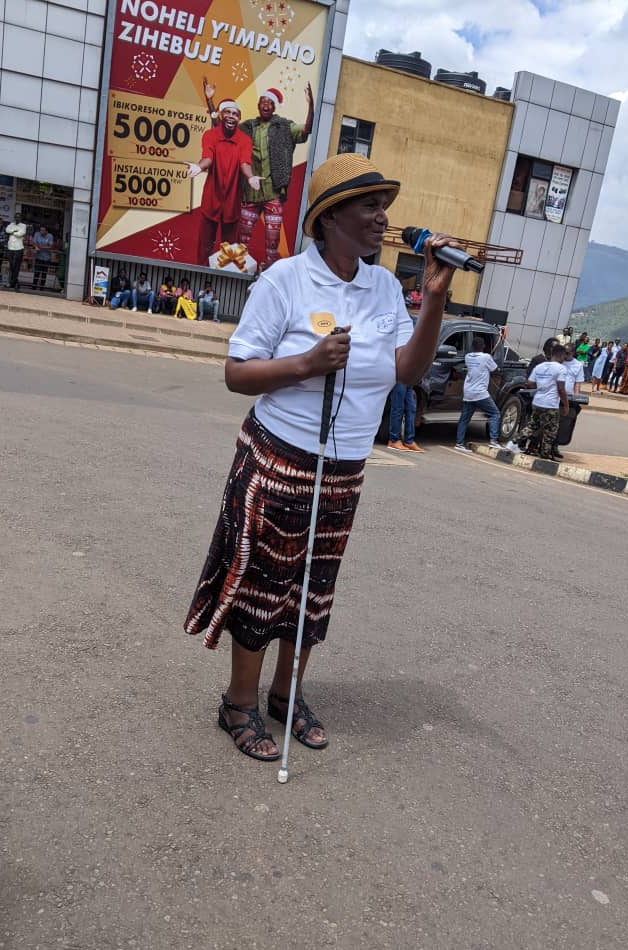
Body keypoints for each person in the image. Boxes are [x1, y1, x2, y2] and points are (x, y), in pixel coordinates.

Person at [183, 152, 457, 761]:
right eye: (370, 206)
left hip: (344, 468)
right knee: (264, 584)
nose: (382, 217)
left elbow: (407, 371)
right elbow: (237, 373)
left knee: (314, 588)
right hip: (279, 457)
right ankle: (239, 703)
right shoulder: (285, 280)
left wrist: (434, 300)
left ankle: (287, 695)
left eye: (384, 206)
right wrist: (306, 363)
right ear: (330, 217)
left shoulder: (384, 287)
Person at [206, 81, 315, 267]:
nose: (266, 105)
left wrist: (311, 105)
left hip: (274, 191)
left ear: (274, 107)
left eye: (270, 102)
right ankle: (238, 268)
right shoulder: (247, 127)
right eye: (263, 101)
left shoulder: (284, 126)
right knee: (242, 238)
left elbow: (306, 130)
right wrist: (210, 102)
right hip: (250, 192)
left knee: (272, 241)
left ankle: (269, 270)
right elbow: (222, 129)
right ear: (258, 105)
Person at [186, 91, 259, 266]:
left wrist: (250, 177)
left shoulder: (245, 140)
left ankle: (222, 277)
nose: (231, 116)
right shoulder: (210, 135)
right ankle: (200, 273)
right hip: (211, 198)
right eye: (227, 112)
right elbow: (208, 157)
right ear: (221, 115)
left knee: (229, 249)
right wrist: (199, 167)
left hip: (232, 201)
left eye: (235, 114)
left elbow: (245, 162)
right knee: (205, 245)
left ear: (239, 118)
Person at [518, 343, 569, 460]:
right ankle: (544, 455)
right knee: (550, 431)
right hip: (551, 405)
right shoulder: (561, 369)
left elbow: (530, 383)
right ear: (561, 356)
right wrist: (566, 405)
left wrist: (542, 387)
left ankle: (513, 443)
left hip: (537, 402)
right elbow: (561, 389)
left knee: (531, 426)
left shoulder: (540, 366)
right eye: (564, 356)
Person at [454, 335, 502, 453]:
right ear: (483, 346)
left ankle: (459, 443)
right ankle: (494, 441)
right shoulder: (486, 357)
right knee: (494, 413)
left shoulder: (468, 357)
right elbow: (495, 369)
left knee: (464, 419)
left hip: (468, 392)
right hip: (480, 393)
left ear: (472, 346)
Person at [387, 383, 423, 452]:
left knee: (411, 409)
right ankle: (393, 440)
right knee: (398, 408)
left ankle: (409, 441)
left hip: (409, 381)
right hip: (400, 380)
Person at [6, 212, 27, 289]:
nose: (17, 218)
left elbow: (21, 233)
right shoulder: (11, 224)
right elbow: (7, 230)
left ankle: (12, 283)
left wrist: (13, 232)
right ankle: (16, 282)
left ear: (21, 218)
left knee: (16, 266)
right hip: (10, 247)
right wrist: (15, 231)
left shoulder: (23, 225)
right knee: (12, 266)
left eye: (18, 217)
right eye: (16, 217)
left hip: (19, 248)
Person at [31, 225, 54, 289]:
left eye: (43, 230)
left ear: (46, 231)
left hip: (47, 258)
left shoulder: (50, 236)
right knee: (36, 272)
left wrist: (41, 247)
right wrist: (36, 246)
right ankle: (34, 287)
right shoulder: (37, 234)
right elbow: (34, 242)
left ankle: (41, 288)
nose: (41, 232)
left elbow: (51, 246)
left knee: (44, 274)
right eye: (41, 230)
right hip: (38, 257)